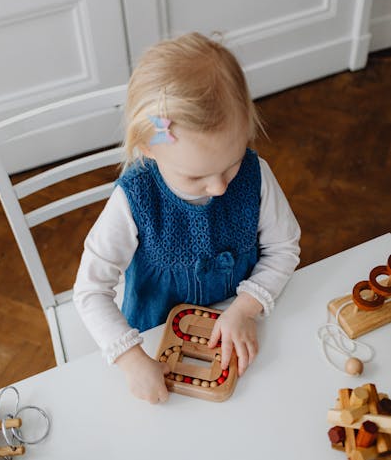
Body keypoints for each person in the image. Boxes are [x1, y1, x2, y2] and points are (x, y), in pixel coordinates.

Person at [73, 32, 300, 404]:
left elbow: (284, 247)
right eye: (196, 177)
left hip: (243, 323)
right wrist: (131, 359)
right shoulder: (134, 200)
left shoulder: (256, 176)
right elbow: (90, 290)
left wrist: (245, 308)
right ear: (148, 147)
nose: (219, 188)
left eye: (232, 164)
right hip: (155, 340)